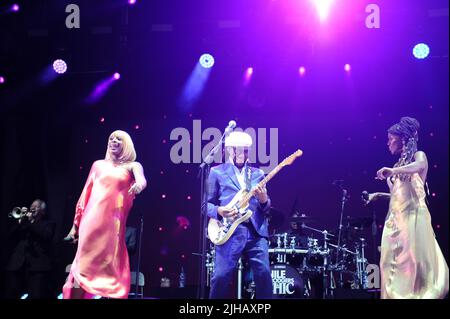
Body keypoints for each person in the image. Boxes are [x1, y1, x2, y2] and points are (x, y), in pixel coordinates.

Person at [366, 117, 448, 299]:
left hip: (413, 218)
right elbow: (398, 196)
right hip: (395, 222)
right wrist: (379, 195)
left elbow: (419, 167)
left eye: (391, 139)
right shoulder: (397, 166)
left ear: (402, 139)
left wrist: (393, 171)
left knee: (412, 261)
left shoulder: (419, 156)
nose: (388, 142)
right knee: (389, 264)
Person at [63, 130, 147, 299]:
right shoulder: (97, 165)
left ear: (127, 144)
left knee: (111, 264)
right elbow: (85, 194)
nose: (114, 141)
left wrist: (139, 185)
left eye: (119, 139)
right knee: (82, 266)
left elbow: (142, 180)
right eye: (111, 138)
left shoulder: (133, 165)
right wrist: (75, 226)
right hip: (90, 222)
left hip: (113, 225)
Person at [207, 131, 273, 299]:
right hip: (229, 231)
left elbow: (265, 209)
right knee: (221, 277)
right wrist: (220, 211)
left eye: (246, 150)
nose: (243, 154)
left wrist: (264, 199)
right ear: (229, 149)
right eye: (239, 150)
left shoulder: (257, 174)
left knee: (264, 274)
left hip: (255, 231)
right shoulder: (217, 172)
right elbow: (205, 205)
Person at [4, 199, 55, 299]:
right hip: (17, 265)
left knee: (36, 295)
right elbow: (9, 237)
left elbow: (46, 236)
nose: (32, 208)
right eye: (32, 206)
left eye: (36, 206)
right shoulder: (23, 223)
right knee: (11, 293)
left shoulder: (49, 224)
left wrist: (31, 222)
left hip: (37, 267)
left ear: (43, 212)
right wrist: (20, 222)